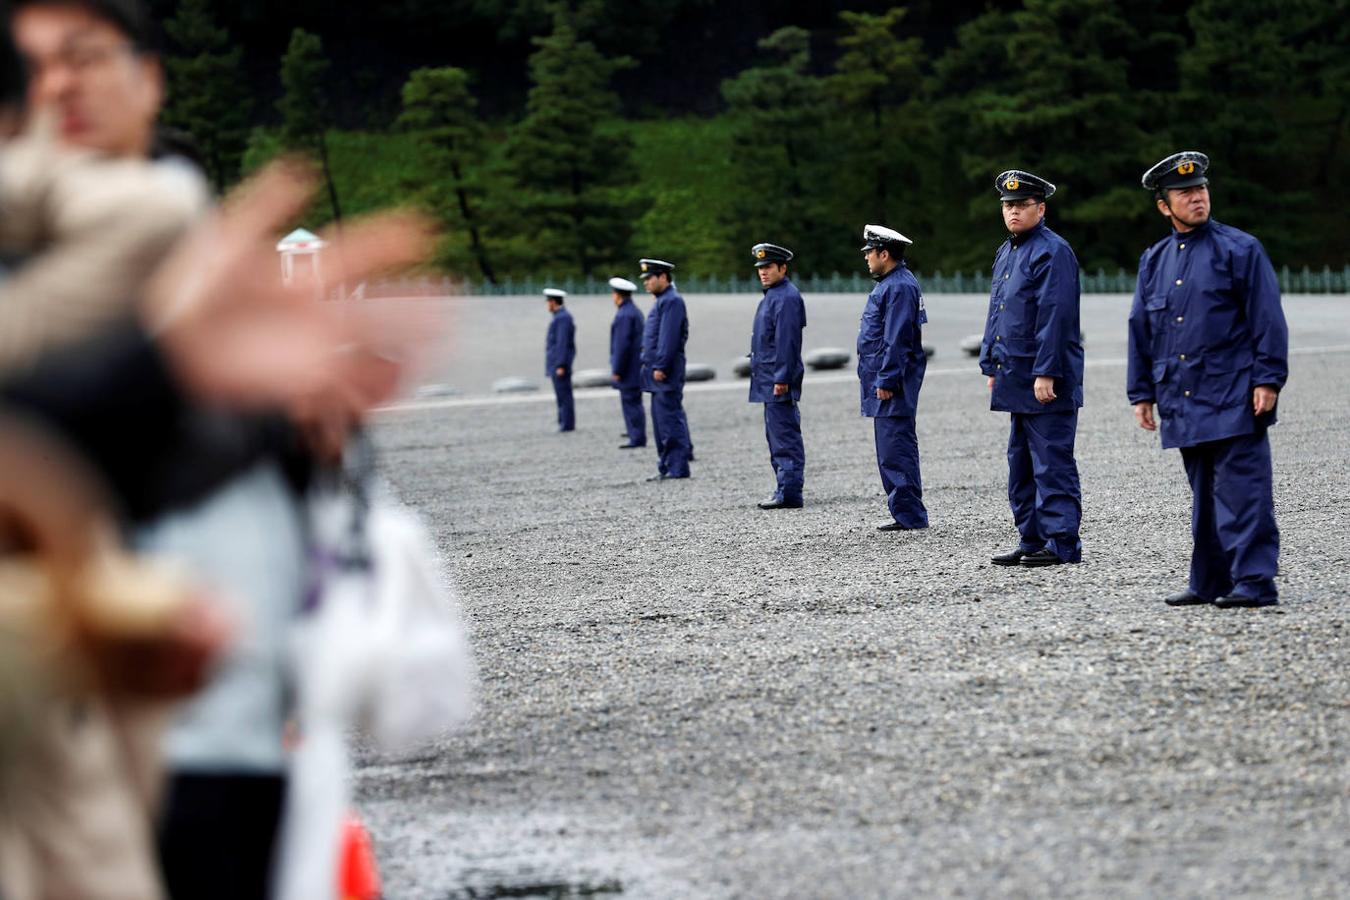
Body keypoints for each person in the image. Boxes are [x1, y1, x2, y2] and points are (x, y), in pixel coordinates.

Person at [1127, 151, 1288, 609]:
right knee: (1204, 497)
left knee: (1244, 492)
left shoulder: (1241, 249)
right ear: (1164, 205)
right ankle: (1210, 581)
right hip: (1183, 394)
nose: (1196, 198)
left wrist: (1268, 379)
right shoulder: (1154, 260)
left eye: (1200, 189)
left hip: (1235, 391)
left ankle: (1256, 582)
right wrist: (1141, 392)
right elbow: (1141, 327)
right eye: (1185, 193)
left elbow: (1267, 320)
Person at [979, 170, 1084, 567]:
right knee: (1020, 464)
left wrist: (1048, 371)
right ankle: (1032, 538)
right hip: (1015, 374)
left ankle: (1062, 544)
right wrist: (991, 361)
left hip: (1044, 377)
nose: (1013, 211)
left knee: (1052, 462)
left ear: (1041, 208)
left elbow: (1057, 316)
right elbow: (999, 311)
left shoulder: (1053, 251)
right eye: (1008, 205)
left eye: (1021, 205)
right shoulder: (1008, 250)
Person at [857, 225, 928, 531]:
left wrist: (886, 380)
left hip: (892, 383)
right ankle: (905, 512)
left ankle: (909, 515)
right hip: (887, 379)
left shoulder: (898, 287)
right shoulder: (894, 284)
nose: (866, 259)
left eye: (869, 253)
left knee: (895, 447)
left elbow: (897, 339)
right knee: (891, 446)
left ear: (884, 254)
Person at [748, 242, 806, 509]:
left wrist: (782, 377)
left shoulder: (786, 297)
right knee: (776, 435)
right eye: (760, 268)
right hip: (769, 378)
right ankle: (784, 488)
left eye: (768, 267)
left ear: (783, 268)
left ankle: (790, 492)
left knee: (784, 437)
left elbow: (788, 342)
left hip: (776, 380)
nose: (763, 272)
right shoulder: (773, 295)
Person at [638, 258, 693, 480]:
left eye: (650, 277)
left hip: (665, 373)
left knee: (669, 419)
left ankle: (677, 467)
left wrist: (661, 365)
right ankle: (667, 465)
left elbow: (668, 338)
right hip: (656, 373)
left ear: (663, 277)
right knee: (661, 422)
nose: (646, 282)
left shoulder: (672, 301)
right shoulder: (663, 300)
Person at [608, 276, 645, 448]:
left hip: (628, 367)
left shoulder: (624, 314)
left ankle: (636, 436)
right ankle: (634, 431)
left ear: (618, 295)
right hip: (635, 365)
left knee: (630, 402)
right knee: (633, 401)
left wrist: (617, 369)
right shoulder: (634, 311)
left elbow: (621, 345)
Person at [544, 288, 575, 432]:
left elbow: (562, 343)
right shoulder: (560, 317)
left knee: (564, 394)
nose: (547, 305)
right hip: (556, 363)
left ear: (553, 302)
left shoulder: (562, 318)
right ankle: (563, 421)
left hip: (559, 364)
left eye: (548, 301)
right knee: (561, 394)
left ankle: (566, 423)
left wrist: (561, 364)